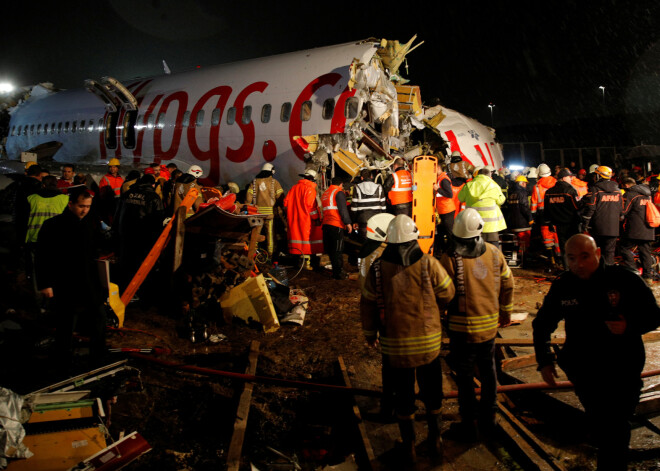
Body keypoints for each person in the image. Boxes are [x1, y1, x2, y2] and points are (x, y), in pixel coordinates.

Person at [533, 234, 660, 470]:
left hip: (622, 368)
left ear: (598, 253)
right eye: (572, 258)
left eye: (585, 256)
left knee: (617, 428)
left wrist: (629, 326)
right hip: (584, 370)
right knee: (603, 423)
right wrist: (544, 361)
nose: (579, 264)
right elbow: (542, 324)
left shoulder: (624, 280)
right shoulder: (564, 285)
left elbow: (654, 315)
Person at [361, 215, 455, 463]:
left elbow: (368, 303)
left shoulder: (378, 268)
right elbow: (448, 292)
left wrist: (370, 333)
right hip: (429, 345)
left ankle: (409, 447)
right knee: (433, 392)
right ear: (414, 237)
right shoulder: (428, 263)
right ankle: (435, 440)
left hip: (395, 347)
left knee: (404, 397)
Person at [439, 209, 513, 441]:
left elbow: (443, 292)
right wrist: (506, 311)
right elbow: (508, 282)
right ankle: (489, 420)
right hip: (489, 327)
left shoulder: (450, 257)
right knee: (489, 373)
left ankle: (469, 424)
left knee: (465, 376)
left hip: (461, 330)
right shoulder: (493, 252)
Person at [36, 186, 107, 370]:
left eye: (88, 206)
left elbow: (98, 248)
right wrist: (46, 284)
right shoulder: (54, 225)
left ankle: (97, 357)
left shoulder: (91, 223)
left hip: (90, 283)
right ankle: (62, 361)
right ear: (70, 204)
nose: (85, 210)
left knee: (99, 319)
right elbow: (43, 256)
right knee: (67, 324)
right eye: (81, 206)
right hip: (66, 283)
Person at [115, 174, 165, 292]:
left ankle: (123, 288)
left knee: (125, 262)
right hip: (143, 236)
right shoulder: (154, 197)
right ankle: (137, 291)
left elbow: (117, 214)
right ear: (152, 185)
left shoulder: (127, 194)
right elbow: (158, 219)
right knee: (140, 265)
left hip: (125, 234)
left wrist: (116, 231)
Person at [283, 168, 324, 270]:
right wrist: (316, 218)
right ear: (313, 179)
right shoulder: (310, 189)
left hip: (294, 220)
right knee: (309, 243)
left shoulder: (293, 188)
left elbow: (285, 203)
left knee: (297, 242)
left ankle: (298, 263)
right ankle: (312, 264)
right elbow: (311, 207)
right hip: (307, 221)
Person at [581, 165, 622, 265]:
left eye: (596, 175)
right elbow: (621, 210)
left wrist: (585, 223)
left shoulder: (595, 189)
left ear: (599, 176)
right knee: (609, 254)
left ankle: (599, 276)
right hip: (614, 228)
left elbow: (591, 207)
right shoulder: (618, 190)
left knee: (598, 253)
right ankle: (608, 275)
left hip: (598, 228)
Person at [458, 167, 507, 248]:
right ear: (489, 175)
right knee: (493, 248)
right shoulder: (494, 185)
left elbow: (460, 198)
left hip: (473, 223)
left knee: (474, 247)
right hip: (491, 224)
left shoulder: (468, 185)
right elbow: (501, 200)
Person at [543, 168, 583, 264]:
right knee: (575, 247)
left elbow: (547, 210)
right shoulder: (570, 190)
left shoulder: (549, 192)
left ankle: (567, 268)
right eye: (569, 177)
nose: (571, 179)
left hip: (558, 224)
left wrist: (549, 223)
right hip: (572, 223)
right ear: (564, 178)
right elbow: (577, 206)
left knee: (564, 248)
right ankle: (575, 268)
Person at [620, 177, 655, 284]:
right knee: (645, 252)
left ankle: (633, 271)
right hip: (648, 228)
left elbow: (624, 210)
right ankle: (648, 277)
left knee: (624, 248)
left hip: (635, 229)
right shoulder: (647, 194)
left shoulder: (630, 194)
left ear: (626, 185)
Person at [245, 162, 285, 257]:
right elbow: (280, 198)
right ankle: (270, 255)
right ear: (272, 171)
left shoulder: (254, 182)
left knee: (255, 234)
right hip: (270, 215)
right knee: (270, 235)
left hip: (257, 214)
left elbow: (248, 198)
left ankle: (253, 255)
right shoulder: (274, 183)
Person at [321, 177, 352, 279]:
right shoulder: (338, 192)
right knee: (338, 250)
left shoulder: (326, 193)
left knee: (331, 250)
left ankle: (336, 271)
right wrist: (348, 223)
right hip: (336, 224)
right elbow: (343, 209)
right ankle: (338, 273)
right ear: (341, 184)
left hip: (326, 224)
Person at [531, 163, 560, 267]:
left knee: (547, 237)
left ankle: (551, 259)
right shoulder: (556, 182)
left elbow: (534, 203)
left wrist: (533, 216)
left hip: (543, 214)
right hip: (556, 212)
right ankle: (560, 259)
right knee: (557, 235)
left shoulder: (537, 186)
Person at [350, 168, 386, 242]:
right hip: (377, 219)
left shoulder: (357, 187)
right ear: (371, 177)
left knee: (365, 242)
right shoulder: (379, 187)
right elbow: (383, 205)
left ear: (362, 178)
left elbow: (354, 208)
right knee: (376, 240)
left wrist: (354, 221)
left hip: (362, 219)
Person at [505, 175, 533, 262]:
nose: (526, 185)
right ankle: (523, 258)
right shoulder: (522, 193)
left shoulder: (512, 193)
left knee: (516, 242)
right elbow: (524, 207)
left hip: (513, 222)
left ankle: (517, 256)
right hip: (522, 223)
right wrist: (530, 218)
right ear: (522, 183)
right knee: (524, 241)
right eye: (525, 183)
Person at [433, 162, 456, 254]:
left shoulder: (443, 179)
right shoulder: (439, 178)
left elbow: (449, 194)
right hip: (443, 210)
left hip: (447, 210)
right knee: (441, 231)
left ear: (438, 168)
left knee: (450, 233)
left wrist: (437, 189)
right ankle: (444, 250)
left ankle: (453, 252)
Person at [98, 158, 124, 224]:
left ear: (118, 168)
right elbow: (102, 194)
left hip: (119, 204)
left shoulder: (121, 178)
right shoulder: (105, 178)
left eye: (114, 167)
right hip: (110, 204)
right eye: (110, 167)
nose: (112, 169)